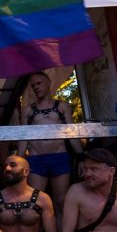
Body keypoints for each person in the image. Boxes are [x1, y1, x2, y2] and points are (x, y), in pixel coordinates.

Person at [18, 72, 83, 219]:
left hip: (60, 157)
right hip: (36, 159)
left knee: (60, 203)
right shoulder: (27, 110)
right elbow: (23, 137)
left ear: (48, 83)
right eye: (33, 85)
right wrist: (19, 160)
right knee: (35, 204)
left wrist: (82, 157)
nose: (36, 87)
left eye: (39, 83)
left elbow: (72, 133)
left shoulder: (62, 106)